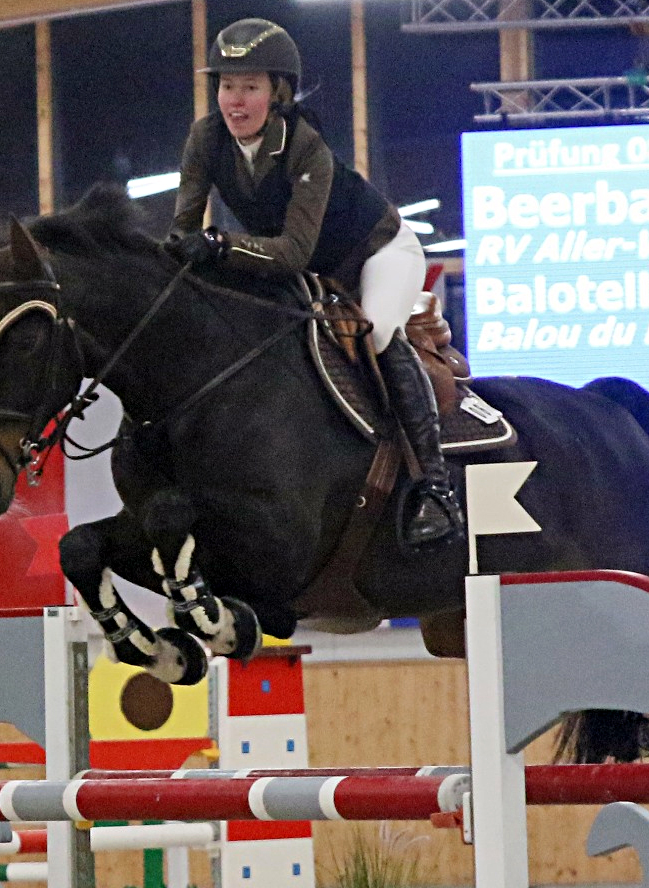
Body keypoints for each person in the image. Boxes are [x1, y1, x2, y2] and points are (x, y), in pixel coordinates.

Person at [168, 17, 463, 550]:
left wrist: (220, 246)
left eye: (250, 87)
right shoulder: (205, 139)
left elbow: (294, 252)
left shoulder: (306, 148)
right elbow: (182, 231)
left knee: (377, 334)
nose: (235, 101)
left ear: (277, 92)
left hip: (377, 253)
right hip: (303, 269)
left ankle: (435, 488)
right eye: (226, 85)